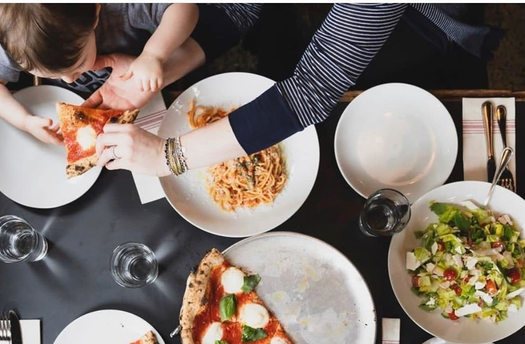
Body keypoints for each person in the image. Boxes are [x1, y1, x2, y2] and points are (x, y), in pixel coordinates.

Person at [93, 4, 501, 177]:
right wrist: (159, 70)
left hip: (417, 25)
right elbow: (240, 6)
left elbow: (314, 88)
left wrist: (171, 156)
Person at [0, 3, 199, 145]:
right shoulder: (15, 37)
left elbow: (185, 9)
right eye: (53, 75)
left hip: (147, 87)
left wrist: (153, 54)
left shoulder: (121, 8)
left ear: (95, 12)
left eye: (78, 65)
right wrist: (24, 121)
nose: (71, 79)